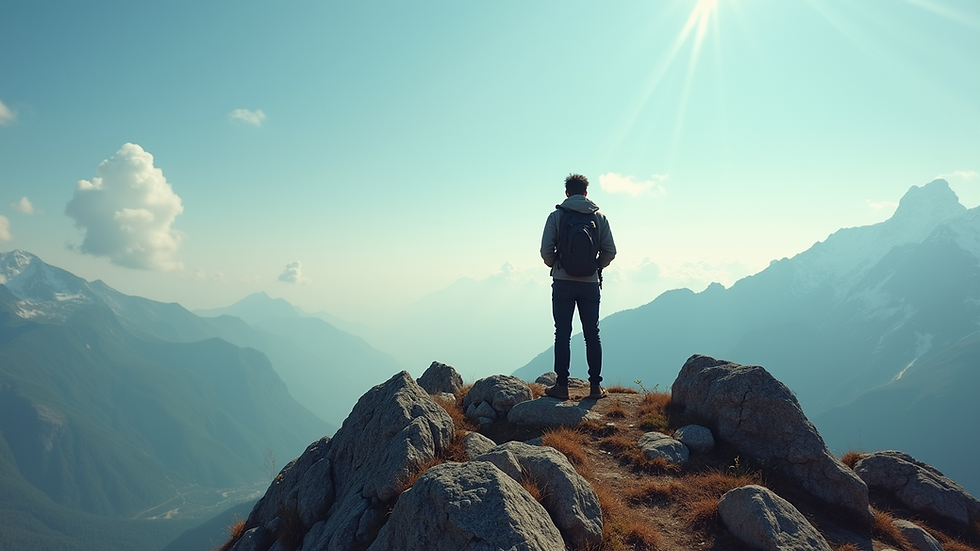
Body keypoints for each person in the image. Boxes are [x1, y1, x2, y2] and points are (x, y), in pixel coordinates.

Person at [540, 173, 616, 400]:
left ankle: (561, 386)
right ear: (586, 193)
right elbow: (610, 251)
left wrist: (558, 265)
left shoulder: (556, 216)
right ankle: (595, 387)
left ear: (566, 193)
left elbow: (546, 251)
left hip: (563, 282)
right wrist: (594, 267)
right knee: (592, 334)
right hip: (590, 284)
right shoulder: (599, 217)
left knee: (562, 333)